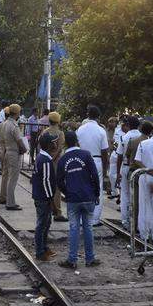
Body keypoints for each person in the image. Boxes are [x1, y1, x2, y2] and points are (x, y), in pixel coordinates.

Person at [57, 131, 100, 269]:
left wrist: (67, 193)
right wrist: (96, 193)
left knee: (74, 228)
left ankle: (72, 259)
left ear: (65, 143)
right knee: (88, 227)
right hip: (88, 197)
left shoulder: (63, 159)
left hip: (73, 198)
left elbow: (59, 181)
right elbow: (95, 175)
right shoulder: (86, 154)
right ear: (77, 141)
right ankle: (90, 258)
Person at [76, 105, 109, 226]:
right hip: (96, 161)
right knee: (97, 189)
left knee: (82, 187)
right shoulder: (101, 131)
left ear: (87, 115)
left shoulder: (80, 129)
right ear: (98, 117)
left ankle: (81, 218)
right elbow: (104, 151)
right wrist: (105, 168)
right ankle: (94, 219)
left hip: (82, 161)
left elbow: (77, 146)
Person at [31, 133, 59, 261]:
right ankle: (40, 251)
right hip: (44, 198)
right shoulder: (46, 160)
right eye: (54, 142)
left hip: (40, 196)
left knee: (46, 223)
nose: (56, 144)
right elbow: (46, 182)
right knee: (42, 224)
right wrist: (51, 201)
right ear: (49, 145)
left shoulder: (40, 157)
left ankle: (44, 247)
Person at [39, 112, 67, 222]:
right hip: (56, 163)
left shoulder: (45, 132)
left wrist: (48, 158)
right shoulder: (60, 133)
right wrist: (53, 158)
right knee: (56, 188)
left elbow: (41, 145)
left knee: (45, 185)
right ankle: (57, 212)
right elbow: (60, 148)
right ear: (58, 121)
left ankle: (46, 210)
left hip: (45, 161)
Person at [0, 104, 27, 210]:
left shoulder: (4, 124)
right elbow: (19, 140)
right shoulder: (14, 125)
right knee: (13, 178)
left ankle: (3, 197)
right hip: (14, 153)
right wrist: (24, 149)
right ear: (17, 113)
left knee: (5, 176)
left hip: (5, 151)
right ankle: (10, 203)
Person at [127, 121, 153, 231]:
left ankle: (134, 225)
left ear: (140, 129)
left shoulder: (133, 141)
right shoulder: (150, 143)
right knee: (147, 201)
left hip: (134, 172)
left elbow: (127, 156)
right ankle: (147, 226)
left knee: (134, 200)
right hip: (147, 173)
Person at [116, 115, 141, 230]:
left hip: (126, 167)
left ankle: (125, 221)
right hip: (140, 169)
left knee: (125, 194)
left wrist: (118, 173)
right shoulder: (142, 137)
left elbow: (120, 156)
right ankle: (137, 222)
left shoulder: (124, 137)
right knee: (138, 196)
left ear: (129, 125)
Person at [109, 118, 129, 200]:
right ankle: (114, 192)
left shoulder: (128, 134)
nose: (122, 126)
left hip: (122, 155)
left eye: (124, 125)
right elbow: (114, 141)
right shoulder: (117, 130)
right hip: (114, 153)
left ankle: (120, 197)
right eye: (122, 124)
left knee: (120, 176)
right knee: (111, 174)